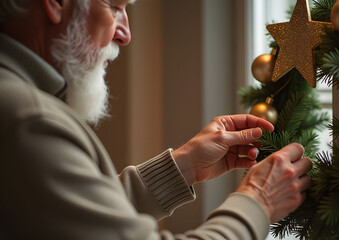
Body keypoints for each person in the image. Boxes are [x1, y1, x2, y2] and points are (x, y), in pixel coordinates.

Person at [0, 0, 313, 239]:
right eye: (115, 7)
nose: (125, 35)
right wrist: (257, 200)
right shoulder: (27, 120)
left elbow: (65, 217)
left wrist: (181, 167)